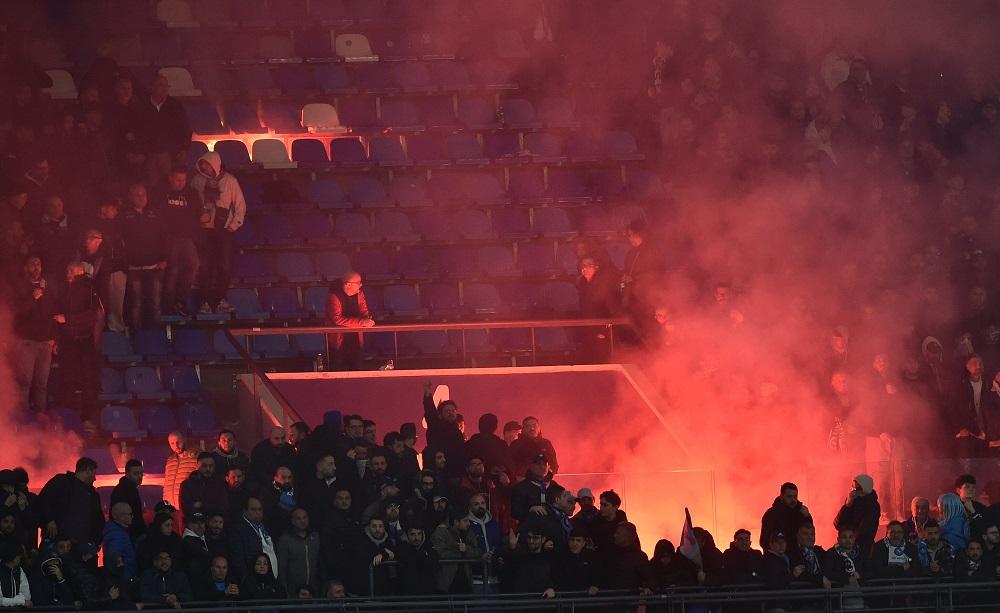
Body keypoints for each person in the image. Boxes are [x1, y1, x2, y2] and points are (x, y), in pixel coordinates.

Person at [190, 150, 245, 314]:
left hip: (224, 231)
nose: (204, 168)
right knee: (205, 267)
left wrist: (233, 225)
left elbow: (240, 206)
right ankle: (205, 301)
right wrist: (197, 219)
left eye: (206, 165)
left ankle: (220, 299)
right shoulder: (197, 181)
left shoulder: (230, 181)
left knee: (224, 267)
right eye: (202, 165)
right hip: (204, 231)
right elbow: (191, 203)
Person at [11, 255, 57, 414]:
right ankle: (22, 419)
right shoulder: (20, 286)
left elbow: (52, 313)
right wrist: (33, 298)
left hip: (45, 342)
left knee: (41, 385)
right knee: (24, 383)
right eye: (33, 264)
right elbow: (17, 313)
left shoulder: (48, 287)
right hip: (26, 342)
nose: (36, 267)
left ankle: (40, 419)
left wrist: (53, 338)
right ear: (26, 267)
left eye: (39, 263)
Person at [120, 182, 167, 329]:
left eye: (143, 195)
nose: (141, 198)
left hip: (154, 266)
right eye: (137, 195)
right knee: (135, 303)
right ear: (130, 197)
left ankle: (155, 336)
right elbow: (119, 241)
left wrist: (164, 259)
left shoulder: (155, 213)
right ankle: (136, 336)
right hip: (133, 267)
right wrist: (124, 263)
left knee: (155, 302)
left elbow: (164, 237)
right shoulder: (123, 216)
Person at [56, 261, 101, 413]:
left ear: (79, 272)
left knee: (87, 379)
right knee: (67, 378)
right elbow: (56, 313)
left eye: (70, 270)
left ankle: (87, 416)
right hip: (67, 338)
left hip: (84, 338)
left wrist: (68, 319)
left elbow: (92, 315)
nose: (67, 273)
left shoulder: (89, 288)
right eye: (67, 270)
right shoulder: (64, 288)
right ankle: (66, 415)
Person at [158, 165, 202, 315]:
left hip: (187, 237)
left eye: (183, 180)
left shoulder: (192, 193)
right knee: (172, 271)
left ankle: (181, 299)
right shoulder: (162, 192)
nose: (180, 183)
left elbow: (199, 214)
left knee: (194, 265)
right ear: (171, 178)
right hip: (168, 238)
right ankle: (169, 305)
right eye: (177, 180)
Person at [38, 457, 104, 547]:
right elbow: (43, 500)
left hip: (82, 546)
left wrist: (95, 542)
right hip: (57, 543)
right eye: (94, 473)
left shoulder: (92, 495)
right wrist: (49, 520)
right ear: (88, 470)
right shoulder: (61, 482)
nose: (95, 478)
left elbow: (98, 519)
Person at [142, 75, 191, 185]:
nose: (164, 89)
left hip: (171, 153)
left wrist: (184, 148)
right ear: (152, 87)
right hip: (149, 154)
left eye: (166, 86)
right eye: (161, 85)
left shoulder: (175, 106)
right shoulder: (142, 106)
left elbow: (186, 129)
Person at [326, 271, 375, 370]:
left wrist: (367, 319)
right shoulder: (334, 296)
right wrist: (362, 322)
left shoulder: (359, 293)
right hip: (339, 342)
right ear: (348, 285)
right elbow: (337, 319)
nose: (361, 285)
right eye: (358, 283)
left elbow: (364, 310)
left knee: (358, 369)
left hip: (356, 339)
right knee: (339, 372)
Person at [576, 255, 620, 361]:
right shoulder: (582, 284)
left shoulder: (604, 286)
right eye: (583, 266)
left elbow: (612, 311)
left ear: (596, 267)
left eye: (589, 265)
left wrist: (603, 332)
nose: (585, 268)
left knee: (602, 360)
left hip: (601, 333)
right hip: (588, 330)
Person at [228, 498, 275, 583]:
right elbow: (238, 560)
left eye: (260, 509)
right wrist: (247, 580)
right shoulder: (238, 531)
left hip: (271, 580)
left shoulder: (267, 527)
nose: (258, 512)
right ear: (245, 511)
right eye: (253, 509)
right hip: (253, 582)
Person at [600, 522, 654, 595]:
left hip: (628, 601)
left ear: (627, 536)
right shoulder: (609, 553)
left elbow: (649, 577)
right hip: (609, 598)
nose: (614, 535)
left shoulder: (639, 556)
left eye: (618, 533)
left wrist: (648, 587)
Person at [833, 474, 881, 556]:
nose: (854, 490)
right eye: (853, 487)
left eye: (857, 488)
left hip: (862, 549)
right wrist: (848, 505)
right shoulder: (852, 501)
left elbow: (866, 530)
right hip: (845, 546)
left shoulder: (873, 505)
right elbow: (837, 524)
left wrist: (848, 537)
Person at [276, 508, 321, 593]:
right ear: (292, 521)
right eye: (298, 518)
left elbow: (319, 562)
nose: (302, 521)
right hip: (293, 591)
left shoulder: (315, 537)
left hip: (313, 590)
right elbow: (282, 567)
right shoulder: (285, 540)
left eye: (305, 517)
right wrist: (284, 589)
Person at [760, 481, 812, 549]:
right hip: (780, 556)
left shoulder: (801, 513)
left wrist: (807, 517)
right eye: (789, 496)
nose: (793, 500)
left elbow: (810, 533)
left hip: (799, 555)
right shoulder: (771, 515)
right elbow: (764, 541)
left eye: (795, 496)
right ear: (781, 497)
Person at [510, 454, 561, 523]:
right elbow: (514, 512)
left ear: (548, 467)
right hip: (530, 530)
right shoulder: (521, 488)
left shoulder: (554, 486)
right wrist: (530, 510)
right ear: (531, 466)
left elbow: (562, 508)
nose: (541, 467)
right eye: (538, 464)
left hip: (552, 530)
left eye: (544, 464)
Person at [179, 452, 227, 519]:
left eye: (211, 466)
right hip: (194, 526)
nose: (208, 469)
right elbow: (187, 510)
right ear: (197, 465)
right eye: (204, 466)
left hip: (214, 526)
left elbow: (223, 508)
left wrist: (201, 505)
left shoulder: (220, 485)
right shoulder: (187, 485)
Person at [162, 431, 199, 516]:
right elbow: (166, 484)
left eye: (179, 442)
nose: (176, 446)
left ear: (184, 440)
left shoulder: (195, 457)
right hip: (170, 508)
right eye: (172, 443)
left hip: (187, 507)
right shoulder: (169, 461)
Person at [396, 526, 436, 595]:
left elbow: (434, 559)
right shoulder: (402, 547)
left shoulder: (428, 545)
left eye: (419, 534)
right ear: (407, 535)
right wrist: (424, 555)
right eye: (412, 534)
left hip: (427, 591)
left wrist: (415, 556)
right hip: (408, 592)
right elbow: (407, 558)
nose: (416, 537)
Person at [103, 502, 138, 581]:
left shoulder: (118, 531)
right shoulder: (117, 535)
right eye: (130, 514)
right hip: (125, 579)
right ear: (121, 516)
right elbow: (114, 560)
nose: (132, 516)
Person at [955, 474, 991, 539]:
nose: (971, 489)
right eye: (967, 487)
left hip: (977, 543)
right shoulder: (953, 507)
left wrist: (973, 512)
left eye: (973, 487)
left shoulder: (981, 507)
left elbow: (985, 527)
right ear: (958, 490)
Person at [0, 542, 31, 607]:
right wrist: (20, 601)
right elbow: (0, 601)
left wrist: (9, 601)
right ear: (14, 557)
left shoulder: (19, 570)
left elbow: (27, 596)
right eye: (19, 556)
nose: (20, 558)